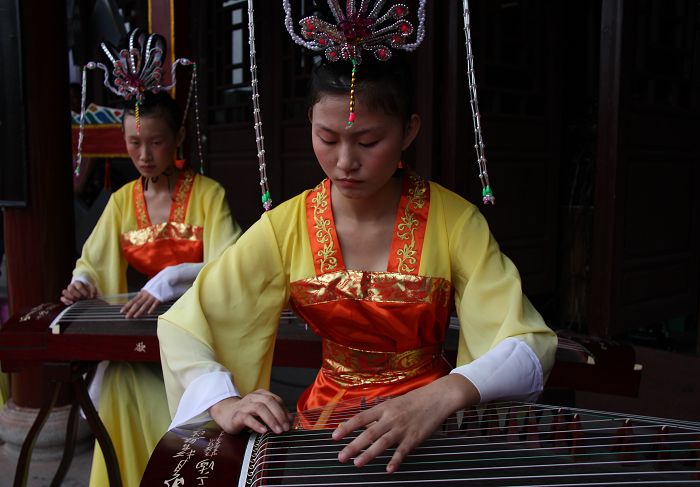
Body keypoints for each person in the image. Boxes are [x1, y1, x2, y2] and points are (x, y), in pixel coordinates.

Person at [158, 52, 557, 474]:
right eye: (327, 139)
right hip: (323, 431)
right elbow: (186, 322)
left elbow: (527, 341)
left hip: (431, 426)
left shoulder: (454, 222)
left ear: (409, 131)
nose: (345, 162)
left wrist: (443, 395)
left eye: (368, 142)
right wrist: (223, 401)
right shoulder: (284, 227)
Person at [60, 88, 241, 486]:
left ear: (177, 139)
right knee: (119, 387)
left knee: (181, 417)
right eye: (134, 143)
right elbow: (93, 257)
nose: (144, 155)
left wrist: (173, 277)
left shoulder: (209, 195)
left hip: (196, 334)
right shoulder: (123, 200)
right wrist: (82, 282)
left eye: (156, 142)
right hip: (142, 331)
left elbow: (230, 264)